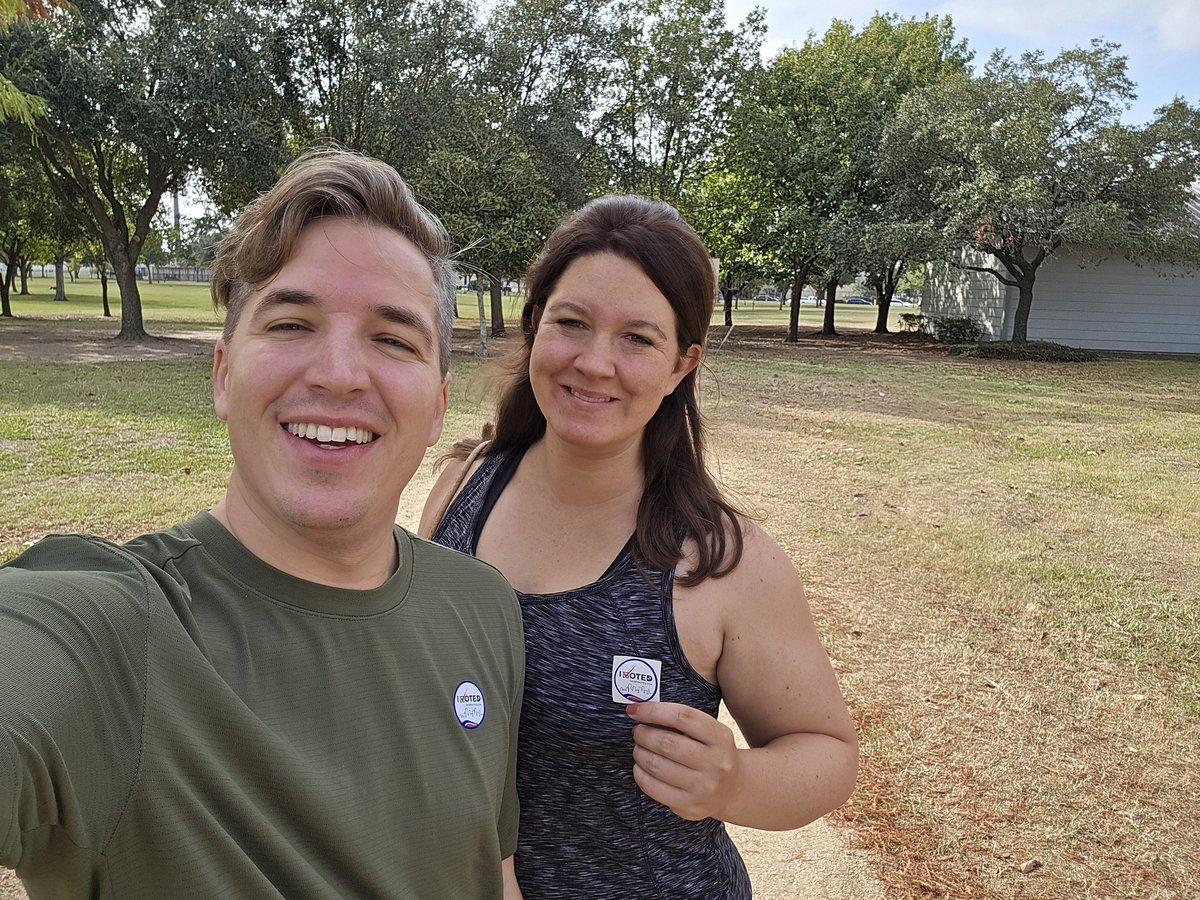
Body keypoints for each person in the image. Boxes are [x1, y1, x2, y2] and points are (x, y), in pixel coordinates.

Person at [0, 148, 525, 899]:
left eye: (392, 338)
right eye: (290, 324)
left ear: (440, 405)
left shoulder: (482, 607)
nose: (339, 373)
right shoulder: (116, 633)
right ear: (222, 375)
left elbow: (491, 872)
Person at [419, 195, 859, 898]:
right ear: (535, 327)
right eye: (572, 323)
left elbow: (829, 756)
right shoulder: (461, 488)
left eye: (637, 339)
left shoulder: (719, 561)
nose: (595, 363)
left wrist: (736, 782)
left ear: (682, 365)